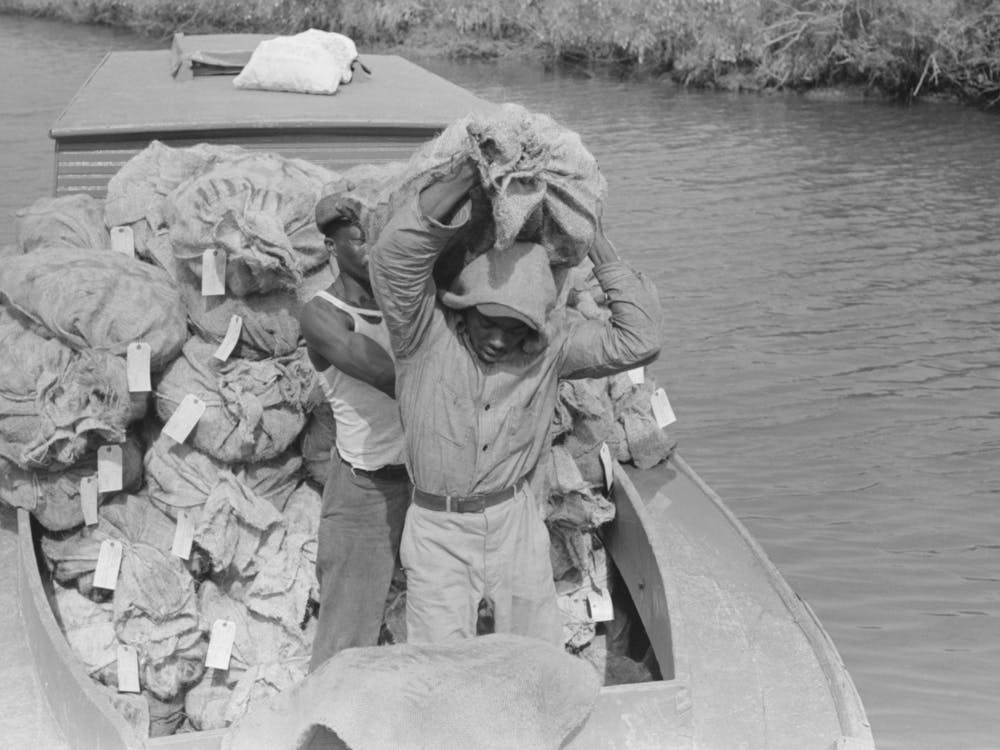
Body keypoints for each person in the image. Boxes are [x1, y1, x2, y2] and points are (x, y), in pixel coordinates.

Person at [368, 158, 662, 645]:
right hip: (437, 530)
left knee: (533, 659)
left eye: (516, 330)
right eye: (490, 324)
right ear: (464, 309)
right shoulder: (422, 334)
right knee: (441, 668)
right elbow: (393, 259)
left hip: (514, 525)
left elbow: (641, 339)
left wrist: (596, 240)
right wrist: (472, 169)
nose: (501, 342)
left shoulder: (553, 347)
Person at [300, 196, 410, 670]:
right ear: (332, 246)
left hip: (425, 484)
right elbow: (392, 380)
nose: (373, 250)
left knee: (428, 625)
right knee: (346, 638)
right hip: (367, 492)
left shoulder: (407, 301)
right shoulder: (321, 315)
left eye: (380, 239)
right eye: (361, 240)